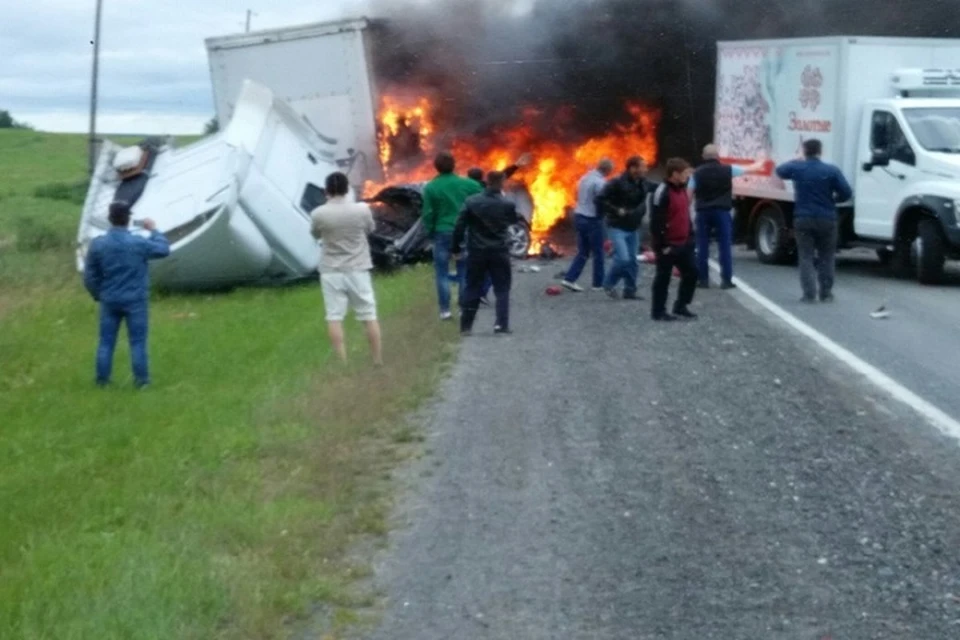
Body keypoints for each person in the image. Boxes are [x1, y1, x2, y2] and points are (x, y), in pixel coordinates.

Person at [82, 200, 170, 388]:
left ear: (109, 219)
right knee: (137, 342)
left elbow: (89, 275)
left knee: (106, 342)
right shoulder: (138, 243)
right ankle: (142, 382)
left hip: (110, 299)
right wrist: (154, 230)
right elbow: (163, 250)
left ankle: (102, 381)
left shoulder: (98, 245)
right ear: (128, 220)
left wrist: (99, 294)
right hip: (136, 299)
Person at [310, 171, 383, 365]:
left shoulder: (318, 213)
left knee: (334, 316)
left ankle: (343, 362)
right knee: (368, 314)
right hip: (358, 267)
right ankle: (377, 359)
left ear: (326, 191)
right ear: (347, 188)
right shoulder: (361, 209)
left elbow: (315, 235)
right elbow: (370, 229)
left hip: (331, 270)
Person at [775, 139, 853, 303]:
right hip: (827, 218)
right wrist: (834, 200)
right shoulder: (831, 170)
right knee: (827, 256)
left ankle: (809, 294)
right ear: (820, 151)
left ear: (804, 151)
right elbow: (846, 192)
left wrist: (796, 160)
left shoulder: (798, 168)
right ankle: (826, 293)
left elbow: (780, 171)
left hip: (803, 217)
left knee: (805, 256)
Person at [689, 144, 766, 289]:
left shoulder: (697, 173)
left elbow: (689, 193)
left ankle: (703, 279)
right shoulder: (728, 170)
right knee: (724, 246)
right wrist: (762, 161)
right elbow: (750, 169)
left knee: (702, 246)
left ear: (703, 157)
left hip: (703, 211)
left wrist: (689, 212)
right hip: (722, 211)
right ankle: (726, 280)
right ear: (718, 156)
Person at [453, 171, 520, 336]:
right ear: (501, 183)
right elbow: (512, 221)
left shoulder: (471, 202)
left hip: (477, 251)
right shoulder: (507, 204)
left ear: (487, 182)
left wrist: (455, 248)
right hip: (499, 251)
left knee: (472, 287)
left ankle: (466, 327)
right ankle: (501, 325)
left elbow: (459, 226)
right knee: (502, 288)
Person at [421, 151, 483, 320]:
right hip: (463, 232)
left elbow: (427, 214)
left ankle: (445, 311)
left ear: (436, 168)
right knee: (463, 270)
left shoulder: (431, 187)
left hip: (442, 233)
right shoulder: (467, 184)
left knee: (441, 272)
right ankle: (464, 308)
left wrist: (431, 230)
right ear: (454, 165)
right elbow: (480, 194)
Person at [464, 153, 533, 305]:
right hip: (490, 234)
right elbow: (502, 176)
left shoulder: (464, 189)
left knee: (473, 266)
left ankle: (471, 295)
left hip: (472, 233)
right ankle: (484, 294)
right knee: (492, 266)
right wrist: (516, 165)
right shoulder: (483, 188)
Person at [597, 155, 657, 300]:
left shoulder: (644, 183)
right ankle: (609, 283)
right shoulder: (616, 183)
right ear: (633, 168)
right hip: (617, 226)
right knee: (623, 259)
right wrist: (616, 210)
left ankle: (630, 290)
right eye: (643, 166)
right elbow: (599, 199)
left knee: (632, 260)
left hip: (633, 227)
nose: (646, 169)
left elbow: (662, 187)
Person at [649, 158, 699, 321]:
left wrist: (690, 237)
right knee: (663, 278)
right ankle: (658, 311)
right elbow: (656, 222)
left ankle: (681, 305)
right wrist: (663, 245)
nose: (687, 176)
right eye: (685, 173)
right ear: (675, 174)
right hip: (668, 245)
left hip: (684, 243)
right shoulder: (662, 192)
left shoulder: (683, 189)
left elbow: (685, 216)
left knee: (692, 273)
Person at [561, 158, 615, 292]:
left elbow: (575, 195)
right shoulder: (600, 182)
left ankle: (569, 279)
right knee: (599, 252)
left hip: (579, 216)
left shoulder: (584, 178)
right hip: (593, 220)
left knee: (583, 251)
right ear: (607, 170)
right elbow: (602, 201)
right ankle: (598, 284)